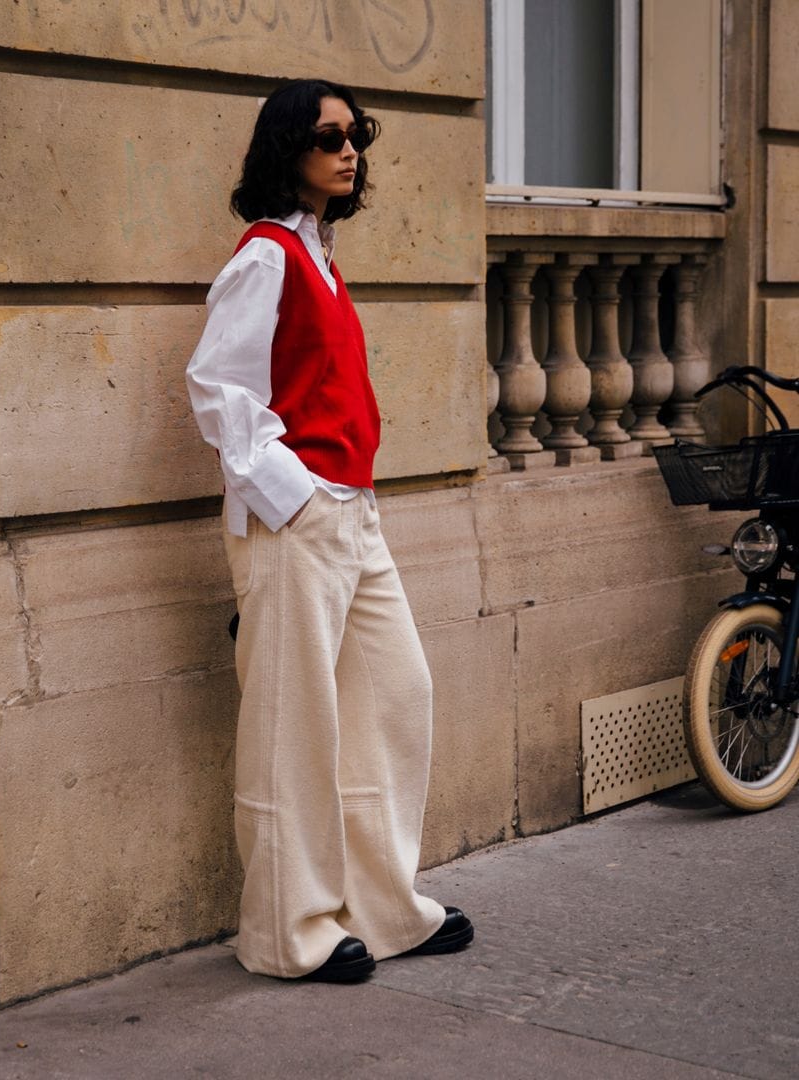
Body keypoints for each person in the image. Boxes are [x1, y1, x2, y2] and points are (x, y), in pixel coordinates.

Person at [186, 78, 473, 984]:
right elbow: (218, 389)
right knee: (293, 731)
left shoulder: (320, 254)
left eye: (356, 136)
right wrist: (293, 496)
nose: (349, 152)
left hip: (353, 513)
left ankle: (383, 910)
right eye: (328, 138)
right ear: (288, 152)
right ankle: (287, 933)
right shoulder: (267, 256)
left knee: (395, 698)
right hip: (299, 520)